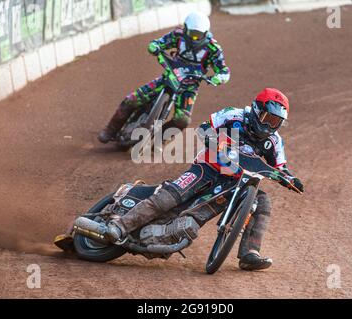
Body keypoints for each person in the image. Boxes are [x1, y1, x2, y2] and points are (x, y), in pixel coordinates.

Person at [106, 88, 304, 271]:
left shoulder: (274, 141)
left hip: (234, 182)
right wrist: (212, 139)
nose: (270, 125)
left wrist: (291, 178)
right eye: (268, 118)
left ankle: (249, 253)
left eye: (276, 122)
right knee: (169, 197)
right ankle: (121, 225)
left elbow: (281, 167)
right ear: (256, 109)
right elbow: (205, 127)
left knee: (262, 201)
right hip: (207, 167)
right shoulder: (233, 115)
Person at [98, 11, 230, 144]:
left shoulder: (213, 48)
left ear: (206, 33)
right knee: (132, 99)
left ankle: (159, 140)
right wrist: (154, 46)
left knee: (182, 120)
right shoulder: (178, 35)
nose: (194, 38)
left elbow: (223, 70)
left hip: (189, 87)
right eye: (192, 34)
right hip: (169, 76)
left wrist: (219, 77)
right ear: (185, 29)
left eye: (198, 35)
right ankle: (110, 130)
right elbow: (160, 42)